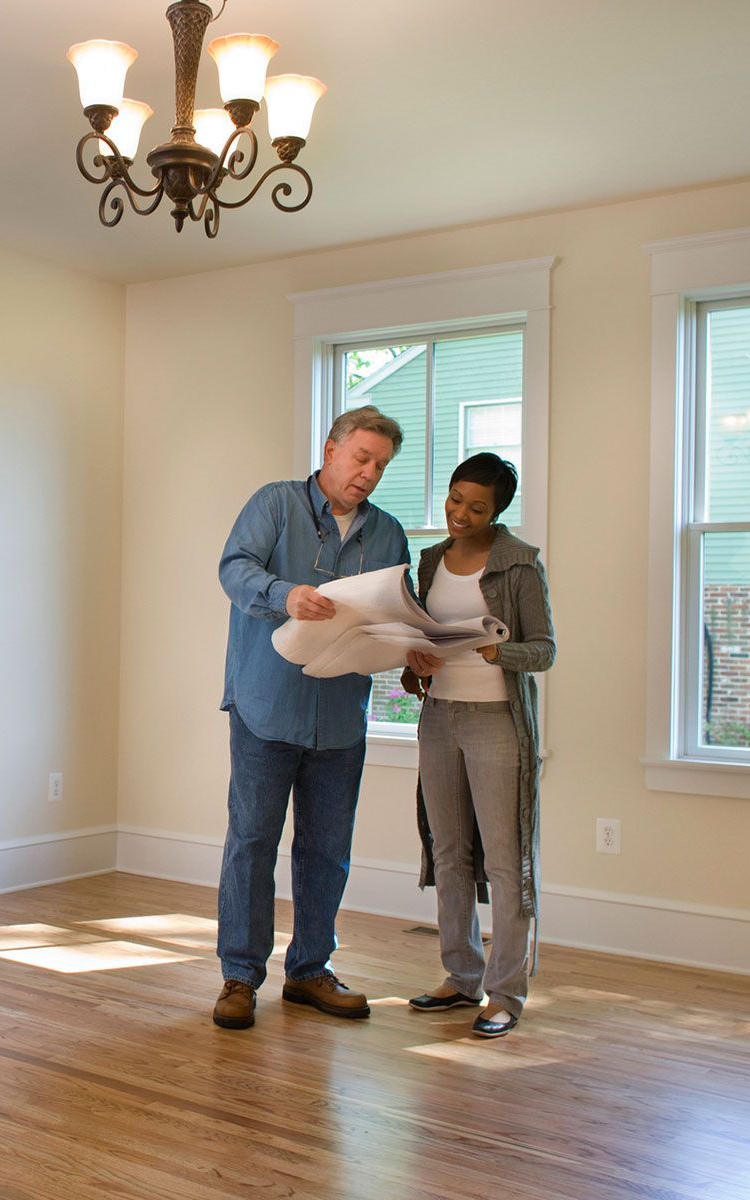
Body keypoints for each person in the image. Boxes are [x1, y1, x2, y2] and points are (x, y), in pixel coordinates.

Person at [212, 405, 410, 1030]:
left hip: (341, 717)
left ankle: (309, 970)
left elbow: (398, 612)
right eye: (361, 458)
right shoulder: (275, 504)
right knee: (252, 843)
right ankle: (240, 976)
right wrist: (286, 594)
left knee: (327, 850)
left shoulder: (388, 534)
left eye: (380, 465)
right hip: (266, 708)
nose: (369, 473)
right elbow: (234, 568)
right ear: (331, 450)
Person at [401, 452, 556, 1038]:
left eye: (477, 507)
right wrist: (415, 664)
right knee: (448, 853)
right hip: (440, 717)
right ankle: (461, 976)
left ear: (497, 512)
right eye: (455, 498)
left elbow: (544, 649)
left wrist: (499, 652)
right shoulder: (431, 561)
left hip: (497, 722)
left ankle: (506, 993)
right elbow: (422, 638)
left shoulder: (520, 564)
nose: (460, 514)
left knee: (505, 859)